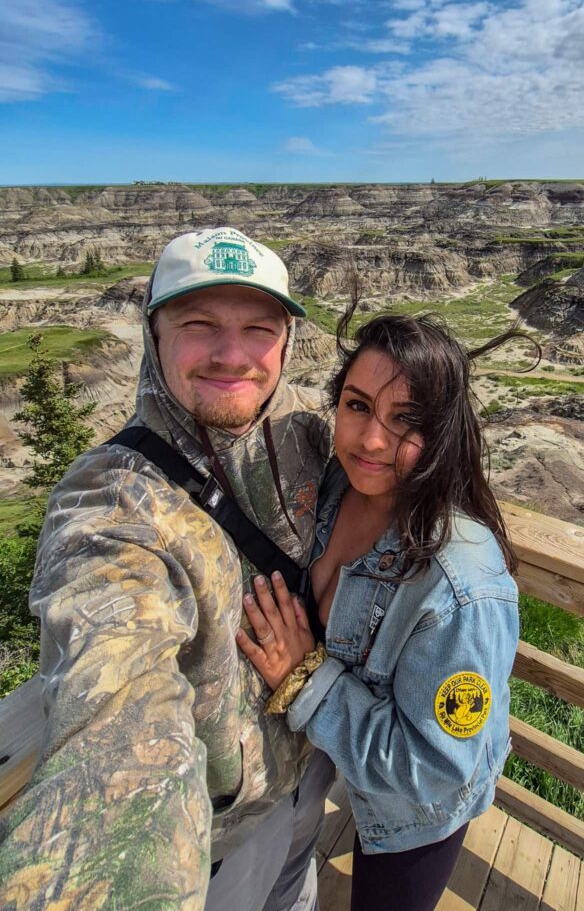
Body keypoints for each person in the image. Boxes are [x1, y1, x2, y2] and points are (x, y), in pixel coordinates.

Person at [0, 228, 333, 911]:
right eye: (199, 325)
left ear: (287, 344)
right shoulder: (110, 501)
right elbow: (117, 702)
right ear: (154, 335)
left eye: (258, 330)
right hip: (216, 840)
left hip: (311, 774)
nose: (232, 354)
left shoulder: (308, 437)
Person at [237, 312, 521, 911]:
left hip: (412, 812)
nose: (370, 441)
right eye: (358, 405)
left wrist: (304, 676)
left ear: (443, 433)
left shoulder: (460, 585)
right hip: (330, 767)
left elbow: (435, 768)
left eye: (406, 422)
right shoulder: (334, 489)